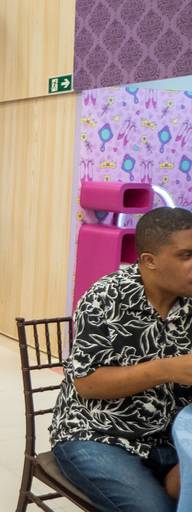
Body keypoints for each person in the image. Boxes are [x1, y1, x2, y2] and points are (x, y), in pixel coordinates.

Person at [49, 207, 192, 511]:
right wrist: (166, 369)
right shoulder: (105, 298)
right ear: (149, 261)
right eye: (186, 256)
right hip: (97, 435)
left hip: (173, 438)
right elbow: (87, 384)